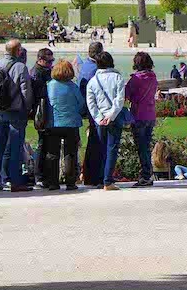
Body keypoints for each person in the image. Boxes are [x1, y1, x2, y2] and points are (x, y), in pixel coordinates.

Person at [0, 38, 34, 193]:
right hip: (15, 111)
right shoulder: (21, 67)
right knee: (15, 147)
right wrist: (27, 109)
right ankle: (15, 181)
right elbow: (25, 91)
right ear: (18, 51)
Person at [86, 51, 127, 191]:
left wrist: (99, 118)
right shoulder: (117, 77)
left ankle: (100, 178)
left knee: (102, 149)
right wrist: (112, 115)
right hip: (113, 117)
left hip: (100, 118)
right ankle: (107, 180)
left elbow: (91, 103)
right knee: (112, 149)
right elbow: (119, 99)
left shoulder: (92, 81)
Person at [44, 59, 84, 191]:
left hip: (53, 123)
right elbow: (81, 104)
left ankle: (53, 182)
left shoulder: (49, 85)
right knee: (70, 153)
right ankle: (70, 182)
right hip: (71, 123)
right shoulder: (73, 87)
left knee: (52, 153)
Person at [126, 52, 159, 188]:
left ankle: (146, 175)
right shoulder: (153, 77)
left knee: (142, 147)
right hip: (150, 114)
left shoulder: (136, 79)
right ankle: (147, 173)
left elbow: (126, 94)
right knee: (146, 145)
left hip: (139, 114)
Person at [75, 41, 104, 188]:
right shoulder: (94, 69)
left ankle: (89, 176)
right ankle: (95, 177)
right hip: (94, 110)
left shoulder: (86, 65)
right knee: (97, 144)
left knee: (93, 143)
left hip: (87, 108)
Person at [30, 47, 54, 189]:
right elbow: (41, 94)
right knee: (43, 144)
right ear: (40, 60)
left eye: (52, 61)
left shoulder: (41, 71)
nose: (51, 63)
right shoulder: (39, 74)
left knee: (44, 143)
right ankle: (39, 176)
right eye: (49, 61)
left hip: (43, 111)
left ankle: (42, 175)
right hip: (42, 112)